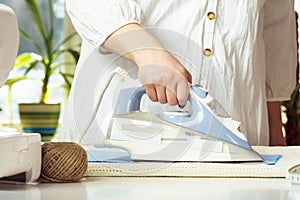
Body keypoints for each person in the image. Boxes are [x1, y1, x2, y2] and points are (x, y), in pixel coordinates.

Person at [59, 0, 297, 146]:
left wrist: (275, 137)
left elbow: (274, 33)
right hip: (114, 145)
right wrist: (147, 52)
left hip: (243, 129)